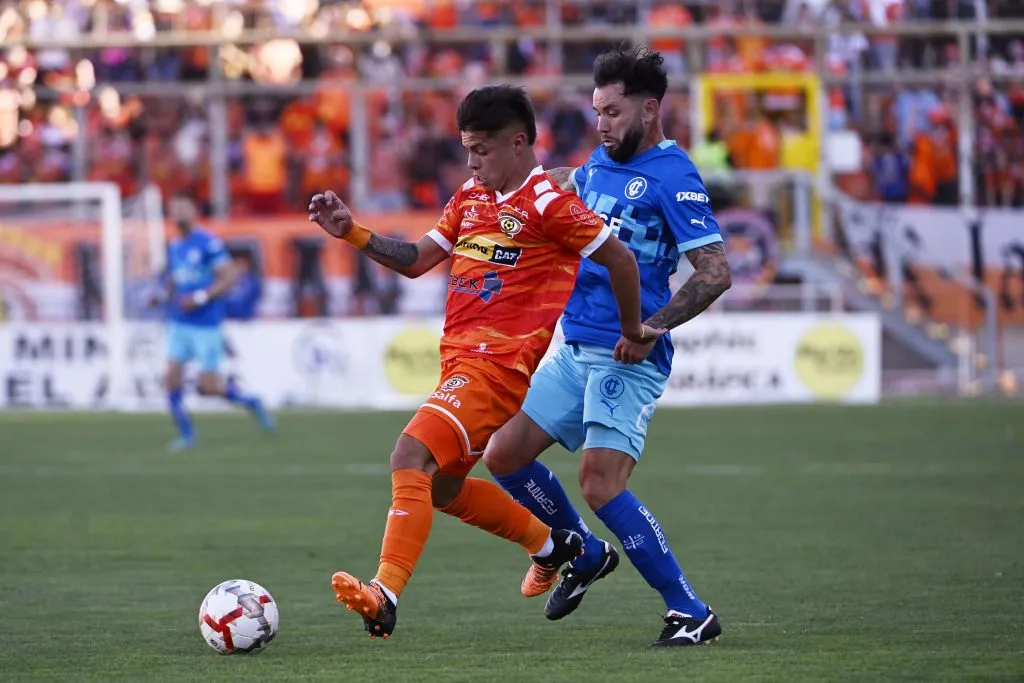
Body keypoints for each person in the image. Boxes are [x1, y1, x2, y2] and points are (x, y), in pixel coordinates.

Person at [307, 85, 650, 640]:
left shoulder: (550, 206)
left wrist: (634, 331)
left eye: (481, 150)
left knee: (409, 454)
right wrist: (352, 232)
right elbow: (417, 260)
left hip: (497, 371)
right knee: (442, 489)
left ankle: (384, 594)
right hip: (459, 366)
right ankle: (555, 545)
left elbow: (622, 260)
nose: (471, 163)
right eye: (467, 149)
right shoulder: (470, 197)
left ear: (518, 143)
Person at [482, 47, 733, 647]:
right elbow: (574, 181)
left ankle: (690, 612)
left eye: (613, 112)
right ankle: (585, 552)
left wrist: (651, 328)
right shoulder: (600, 162)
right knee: (503, 455)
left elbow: (715, 271)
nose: (601, 123)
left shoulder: (673, 176)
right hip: (575, 349)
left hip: (629, 355)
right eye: (597, 111)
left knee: (600, 483)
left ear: (649, 110)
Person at [162, 193, 274, 451]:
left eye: (183, 207)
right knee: (171, 379)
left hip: (206, 325)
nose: (178, 212)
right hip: (180, 323)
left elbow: (230, 276)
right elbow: (177, 280)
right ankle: (188, 436)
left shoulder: (208, 243)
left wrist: (200, 297)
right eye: (174, 208)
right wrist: (163, 295)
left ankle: (251, 402)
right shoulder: (175, 245)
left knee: (209, 387)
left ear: (194, 212)